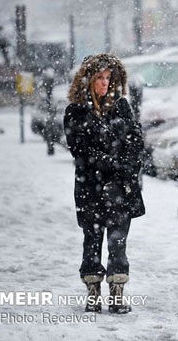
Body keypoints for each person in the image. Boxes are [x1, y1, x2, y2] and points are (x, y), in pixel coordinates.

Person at [63, 53, 145, 314]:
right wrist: (113, 163)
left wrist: (127, 165)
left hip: (120, 188)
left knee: (118, 241)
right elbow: (81, 150)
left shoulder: (121, 106)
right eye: (99, 78)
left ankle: (118, 291)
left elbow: (135, 139)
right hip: (91, 187)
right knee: (92, 238)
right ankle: (93, 292)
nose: (104, 83)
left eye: (108, 78)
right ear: (87, 80)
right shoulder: (76, 111)